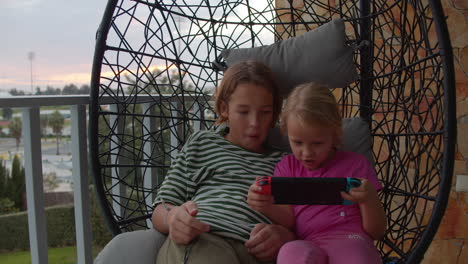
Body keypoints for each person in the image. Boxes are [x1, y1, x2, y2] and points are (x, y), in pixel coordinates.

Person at [151, 60, 295, 264]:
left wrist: (285, 236)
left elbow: (307, 221)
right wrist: (173, 218)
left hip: (254, 252)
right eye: (244, 112)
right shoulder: (202, 143)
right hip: (203, 239)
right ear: (224, 108)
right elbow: (161, 207)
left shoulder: (285, 163)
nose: (255, 123)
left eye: (265, 112)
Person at [247, 82, 386, 264]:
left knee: (356, 255)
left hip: (350, 238)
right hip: (307, 241)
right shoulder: (287, 167)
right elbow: (289, 220)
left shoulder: (356, 165)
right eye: (297, 143)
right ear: (287, 134)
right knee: (291, 252)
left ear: (334, 134)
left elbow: (376, 232)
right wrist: (265, 204)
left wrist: (369, 200)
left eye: (317, 143)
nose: (306, 153)